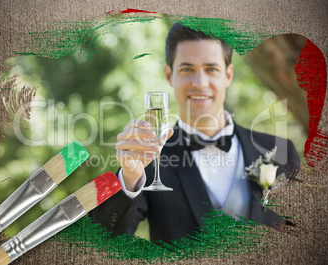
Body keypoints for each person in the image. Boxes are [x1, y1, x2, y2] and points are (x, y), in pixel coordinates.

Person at [91, 23, 300, 242]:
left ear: (228, 75)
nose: (200, 83)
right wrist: (129, 177)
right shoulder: (150, 156)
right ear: (169, 75)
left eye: (211, 69)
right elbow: (103, 242)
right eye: (187, 69)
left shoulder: (280, 151)